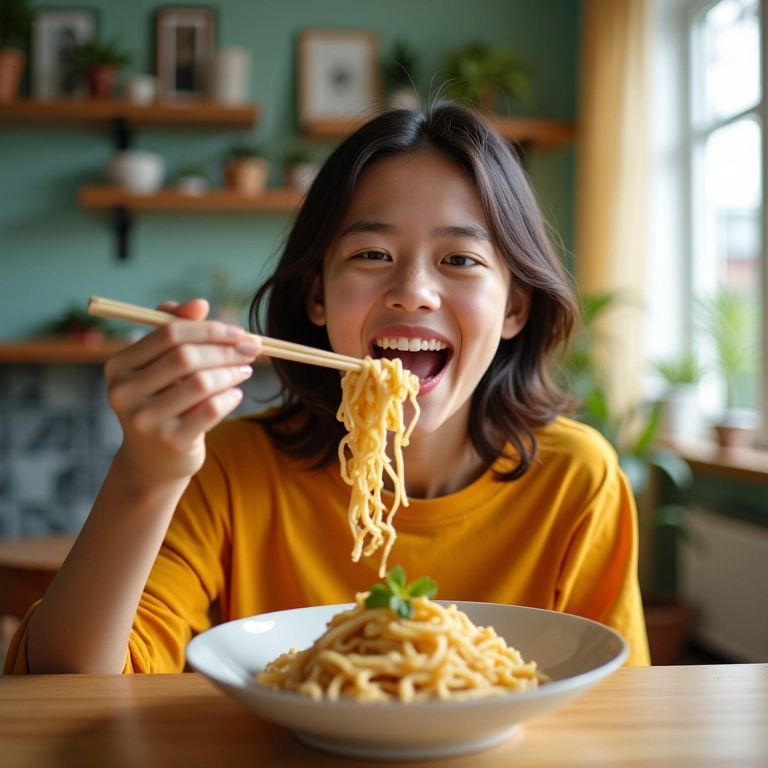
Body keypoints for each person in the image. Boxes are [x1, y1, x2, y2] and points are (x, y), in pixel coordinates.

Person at [5, 103, 650, 674]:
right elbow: (66, 680)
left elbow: (619, 703)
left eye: (460, 259)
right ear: (316, 295)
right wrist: (145, 472)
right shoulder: (229, 469)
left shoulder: (576, 479)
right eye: (372, 254)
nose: (413, 293)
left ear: (515, 307)